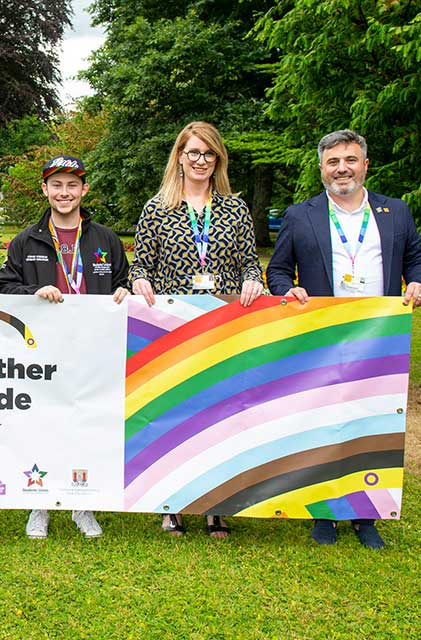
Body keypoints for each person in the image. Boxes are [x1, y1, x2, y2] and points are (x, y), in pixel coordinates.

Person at [266, 129, 421, 549]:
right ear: (322, 168)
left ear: (365, 164)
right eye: (333, 161)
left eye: (350, 160)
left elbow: (417, 259)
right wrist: (289, 290)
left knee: (371, 421)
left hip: (379, 338)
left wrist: (419, 283)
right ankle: (323, 511)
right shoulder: (300, 215)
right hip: (321, 336)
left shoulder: (395, 211)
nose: (342, 168)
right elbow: (279, 270)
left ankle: (366, 513)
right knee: (320, 421)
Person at [129, 121, 264, 539]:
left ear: (217, 159)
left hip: (223, 326)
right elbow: (140, 265)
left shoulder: (234, 208)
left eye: (208, 153)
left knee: (221, 413)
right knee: (178, 414)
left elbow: (248, 261)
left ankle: (216, 507)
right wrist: (138, 281)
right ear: (179, 158)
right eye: (193, 153)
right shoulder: (157, 208)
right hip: (174, 327)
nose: (201, 160)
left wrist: (253, 279)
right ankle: (172, 503)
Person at [0, 155, 129, 539]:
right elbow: (4, 288)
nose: (64, 192)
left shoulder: (105, 239)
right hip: (43, 352)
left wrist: (125, 290)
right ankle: (40, 503)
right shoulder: (27, 240)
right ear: (45, 190)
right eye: (57, 185)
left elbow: (125, 282)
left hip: (93, 350)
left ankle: (80, 504)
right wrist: (33, 291)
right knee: (43, 423)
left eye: (72, 185)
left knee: (86, 423)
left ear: (84, 189)